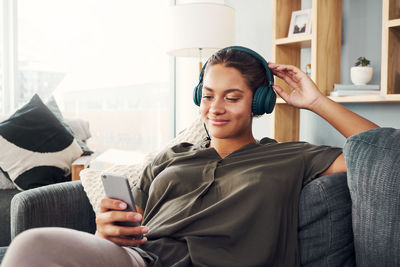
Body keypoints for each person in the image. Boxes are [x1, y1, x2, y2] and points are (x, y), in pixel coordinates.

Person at [1, 46, 379, 267]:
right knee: (32, 245)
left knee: (31, 246)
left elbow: (380, 154)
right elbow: (133, 228)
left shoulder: (292, 157)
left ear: (259, 103)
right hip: (140, 260)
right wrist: (107, 230)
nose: (215, 107)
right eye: (209, 94)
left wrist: (314, 101)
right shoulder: (174, 156)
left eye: (232, 97)